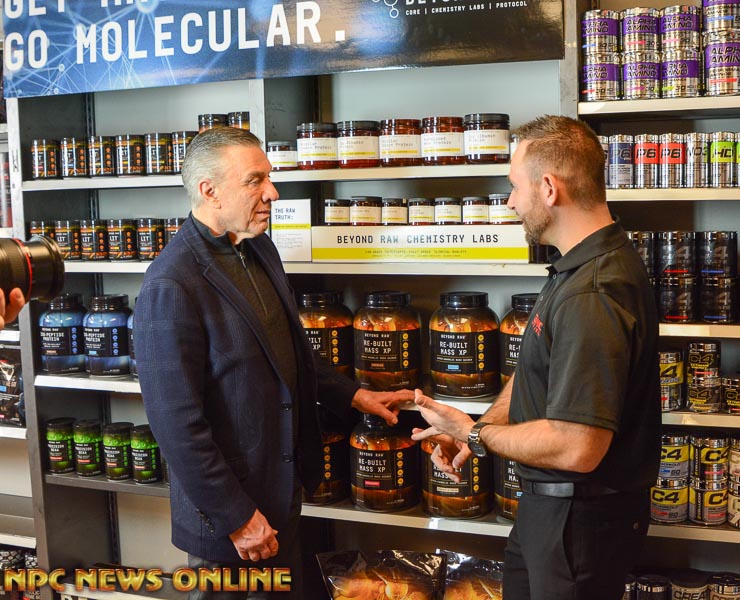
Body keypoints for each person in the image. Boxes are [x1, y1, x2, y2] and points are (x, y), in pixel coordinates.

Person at [133, 127, 411, 599]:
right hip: (231, 520)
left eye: (269, 177)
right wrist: (237, 517)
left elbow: (291, 350)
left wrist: (355, 395)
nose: (272, 192)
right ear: (209, 190)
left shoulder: (258, 247)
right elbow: (176, 424)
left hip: (279, 492)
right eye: (255, 181)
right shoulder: (171, 283)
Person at [412, 115, 660, 600]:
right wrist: (477, 430)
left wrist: (476, 434)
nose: (510, 202)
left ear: (548, 188)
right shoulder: (578, 267)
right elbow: (537, 371)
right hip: (550, 513)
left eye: (514, 186)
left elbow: (577, 447)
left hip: (577, 523)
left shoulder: (592, 291)